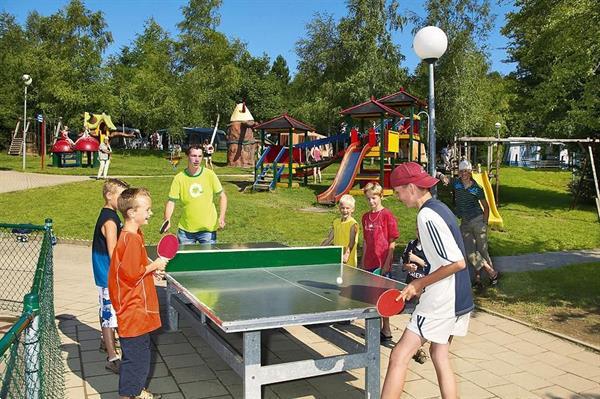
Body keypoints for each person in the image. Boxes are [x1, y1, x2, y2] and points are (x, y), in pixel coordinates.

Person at [382, 162, 474, 399]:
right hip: (460, 298)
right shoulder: (441, 207)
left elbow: (457, 262)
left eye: (399, 191)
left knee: (399, 356)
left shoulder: (427, 215)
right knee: (439, 354)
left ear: (411, 187)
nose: (398, 197)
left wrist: (419, 283)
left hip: (442, 301)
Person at [108, 187, 168, 399]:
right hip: (134, 311)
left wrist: (152, 273)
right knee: (136, 359)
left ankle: (136, 390)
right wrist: (156, 265)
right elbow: (133, 274)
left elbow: (132, 270)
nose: (150, 213)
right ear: (132, 213)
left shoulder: (133, 235)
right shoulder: (131, 239)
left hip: (134, 308)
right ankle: (128, 395)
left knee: (138, 356)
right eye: (147, 209)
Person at [440, 159, 500, 288]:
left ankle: (480, 279)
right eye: (461, 171)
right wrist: (438, 174)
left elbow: (486, 207)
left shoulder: (477, 188)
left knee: (482, 251)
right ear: (459, 173)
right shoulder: (456, 184)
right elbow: (445, 180)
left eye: (466, 171)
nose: (464, 174)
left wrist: (484, 222)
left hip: (478, 221)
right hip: (465, 222)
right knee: (469, 252)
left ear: (470, 172)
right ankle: (492, 272)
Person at [92, 178, 130, 374]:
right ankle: (112, 357)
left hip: (104, 273)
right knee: (109, 315)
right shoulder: (110, 220)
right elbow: (114, 252)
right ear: (109, 196)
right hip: (108, 275)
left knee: (107, 311)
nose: (124, 200)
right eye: (121, 196)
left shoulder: (109, 214)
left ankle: (104, 342)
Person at [163, 145, 227, 245]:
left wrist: (221, 217)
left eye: (199, 156)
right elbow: (171, 201)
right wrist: (167, 219)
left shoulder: (210, 174)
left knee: (208, 260)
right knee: (185, 260)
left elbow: (222, 196)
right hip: (186, 231)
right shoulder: (179, 178)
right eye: (193, 156)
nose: (197, 159)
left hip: (208, 230)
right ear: (187, 156)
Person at [361, 182, 399, 341]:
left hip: (382, 263)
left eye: (374, 198)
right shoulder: (365, 217)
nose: (371, 202)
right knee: (370, 298)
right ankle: (374, 330)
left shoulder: (387, 215)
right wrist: (362, 261)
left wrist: (386, 264)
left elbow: (392, 242)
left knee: (383, 298)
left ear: (381, 196)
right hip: (369, 263)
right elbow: (365, 242)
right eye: (368, 198)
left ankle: (387, 329)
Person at [401, 225, 430, 364]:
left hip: (426, 289)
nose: (420, 233)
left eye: (422, 231)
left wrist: (417, 260)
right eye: (418, 230)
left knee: (420, 317)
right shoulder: (411, 244)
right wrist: (408, 266)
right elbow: (403, 263)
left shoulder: (431, 247)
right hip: (411, 286)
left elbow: (430, 266)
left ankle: (418, 347)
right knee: (413, 316)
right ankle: (415, 346)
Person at [321, 194, 359, 267]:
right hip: (337, 258)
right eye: (342, 208)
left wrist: (346, 255)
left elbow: (352, 242)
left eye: (347, 208)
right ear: (339, 208)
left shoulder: (353, 224)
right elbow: (329, 238)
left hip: (348, 261)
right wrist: (320, 249)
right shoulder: (336, 222)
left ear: (352, 209)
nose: (345, 210)